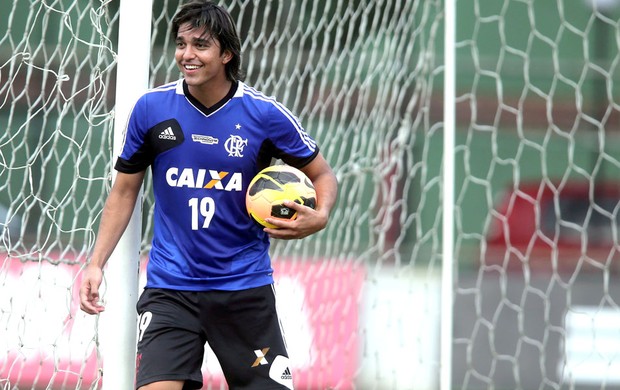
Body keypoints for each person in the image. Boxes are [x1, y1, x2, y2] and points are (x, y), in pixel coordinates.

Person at [78, 1, 338, 389]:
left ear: (226, 53)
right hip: (171, 289)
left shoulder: (264, 115)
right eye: (181, 44)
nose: (186, 54)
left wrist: (322, 214)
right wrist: (96, 262)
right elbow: (123, 191)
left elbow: (322, 175)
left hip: (243, 288)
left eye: (200, 45)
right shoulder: (152, 109)